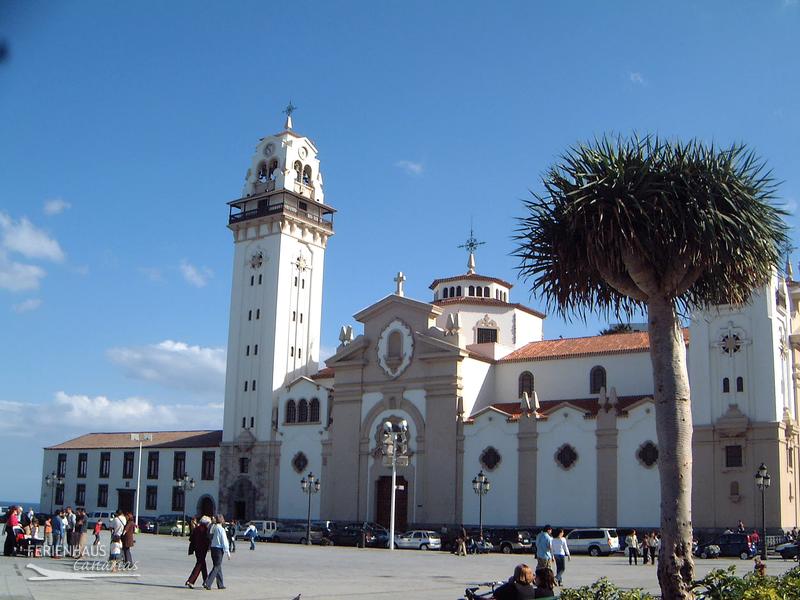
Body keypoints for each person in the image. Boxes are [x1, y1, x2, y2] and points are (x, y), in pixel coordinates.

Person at [203, 514, 231, 590]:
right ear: (221, 520)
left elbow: (210, 535)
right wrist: (227, 551)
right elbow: (224, 541)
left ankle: (220, 584)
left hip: (213, 548)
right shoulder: (221, 529)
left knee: (218, 566)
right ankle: (207, 582)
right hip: (219, 549)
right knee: (217, 566)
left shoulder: (213, 527)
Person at [186, 515, 211, 588]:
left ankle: (206, 581)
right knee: (199, 564)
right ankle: (190, 581)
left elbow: (191, 539)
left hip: (196, 549)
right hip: (203, 549)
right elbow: (207, 539)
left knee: (202, 564)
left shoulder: (196, 529)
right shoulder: (206, 529)